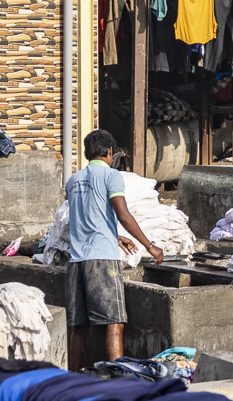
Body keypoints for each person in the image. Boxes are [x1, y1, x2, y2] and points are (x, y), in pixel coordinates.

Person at [67, 130, 164, 371]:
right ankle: (117, 381)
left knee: (79, 327)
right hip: (101, 260)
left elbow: (87, 216)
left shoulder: (73, 180)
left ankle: (71, 377)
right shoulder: (112, 176)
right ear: (110, 152)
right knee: (114, 323)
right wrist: (150, 246)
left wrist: (116, 236)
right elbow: (123, 214)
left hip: (76, 260)